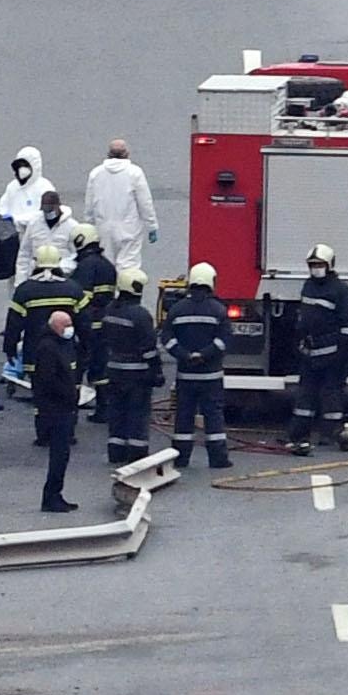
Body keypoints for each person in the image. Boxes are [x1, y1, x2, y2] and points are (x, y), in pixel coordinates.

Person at [287, 244, 348, 454]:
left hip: (332, 353)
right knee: (305, 395)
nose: (315, 268)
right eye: (312, 265)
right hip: (310, 353)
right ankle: (298, 433)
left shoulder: (340, 289)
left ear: (329, 265)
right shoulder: (308, 286)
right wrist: (299, 339)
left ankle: (330, 434)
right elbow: (304, 316)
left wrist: (342, 352)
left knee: (332, 395)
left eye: (319, 264)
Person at [166, 261, 234, 470]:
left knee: (184, 417)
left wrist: (185, 356)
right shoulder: (219, 310)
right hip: (211, 376)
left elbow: (167, 340)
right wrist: (204, 355)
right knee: (213, 417)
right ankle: (218, 459)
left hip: (186, 376)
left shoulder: (177, 310)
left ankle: (181, 457)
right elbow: (224, 341)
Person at [97, 275, 162, 466]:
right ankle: (137, 452)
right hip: (137, 375)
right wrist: (157, 372)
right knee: (137, 413)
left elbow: (104, 339)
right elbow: (149, 349)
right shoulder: (140, 315)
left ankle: (115, 451)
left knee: (116, 412)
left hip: (114, 371)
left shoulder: (110, 311)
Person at [5, 231, 83, 388]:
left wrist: (10, 347)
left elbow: (14, 324)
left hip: (34, 352)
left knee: (41, 392)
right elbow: (84, 323)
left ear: (35, 262)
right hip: (67, 351)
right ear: (59, 261)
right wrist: (86, 349)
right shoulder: (73, 289)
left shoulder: (25, 290)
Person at [28, 306, 86, 512]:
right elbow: (47, 380)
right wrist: (68, 395)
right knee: (58, 455)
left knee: (62, 456)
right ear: (56, 327)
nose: (71, 329)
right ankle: (51, 497)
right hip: (55, 410)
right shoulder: (48, 348)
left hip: (63, 408)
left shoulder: (62, 344)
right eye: (67, 325)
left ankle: (56, 494)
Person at [82, 137, 160, 270]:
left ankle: (108, 290)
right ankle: (125, 290)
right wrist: (152, 226)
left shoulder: (96, 173)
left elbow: (89, 203)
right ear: (127, 153)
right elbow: (144, 202)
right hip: (129, 227)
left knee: (106, 265)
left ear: (108, 154)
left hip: (103, 227)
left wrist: (88, 226)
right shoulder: (135, 172)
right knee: (128, 266)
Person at [0, 148, 53, 283]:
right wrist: (4, 218)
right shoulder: (13, 187)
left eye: (25, 165)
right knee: (15, 274)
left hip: (37, 238)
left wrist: (17, 219)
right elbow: (2, 206)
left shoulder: (44, 187)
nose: (22, 170)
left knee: (36, 272)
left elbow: (42, 214)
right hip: (14, 239)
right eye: (19, 166)